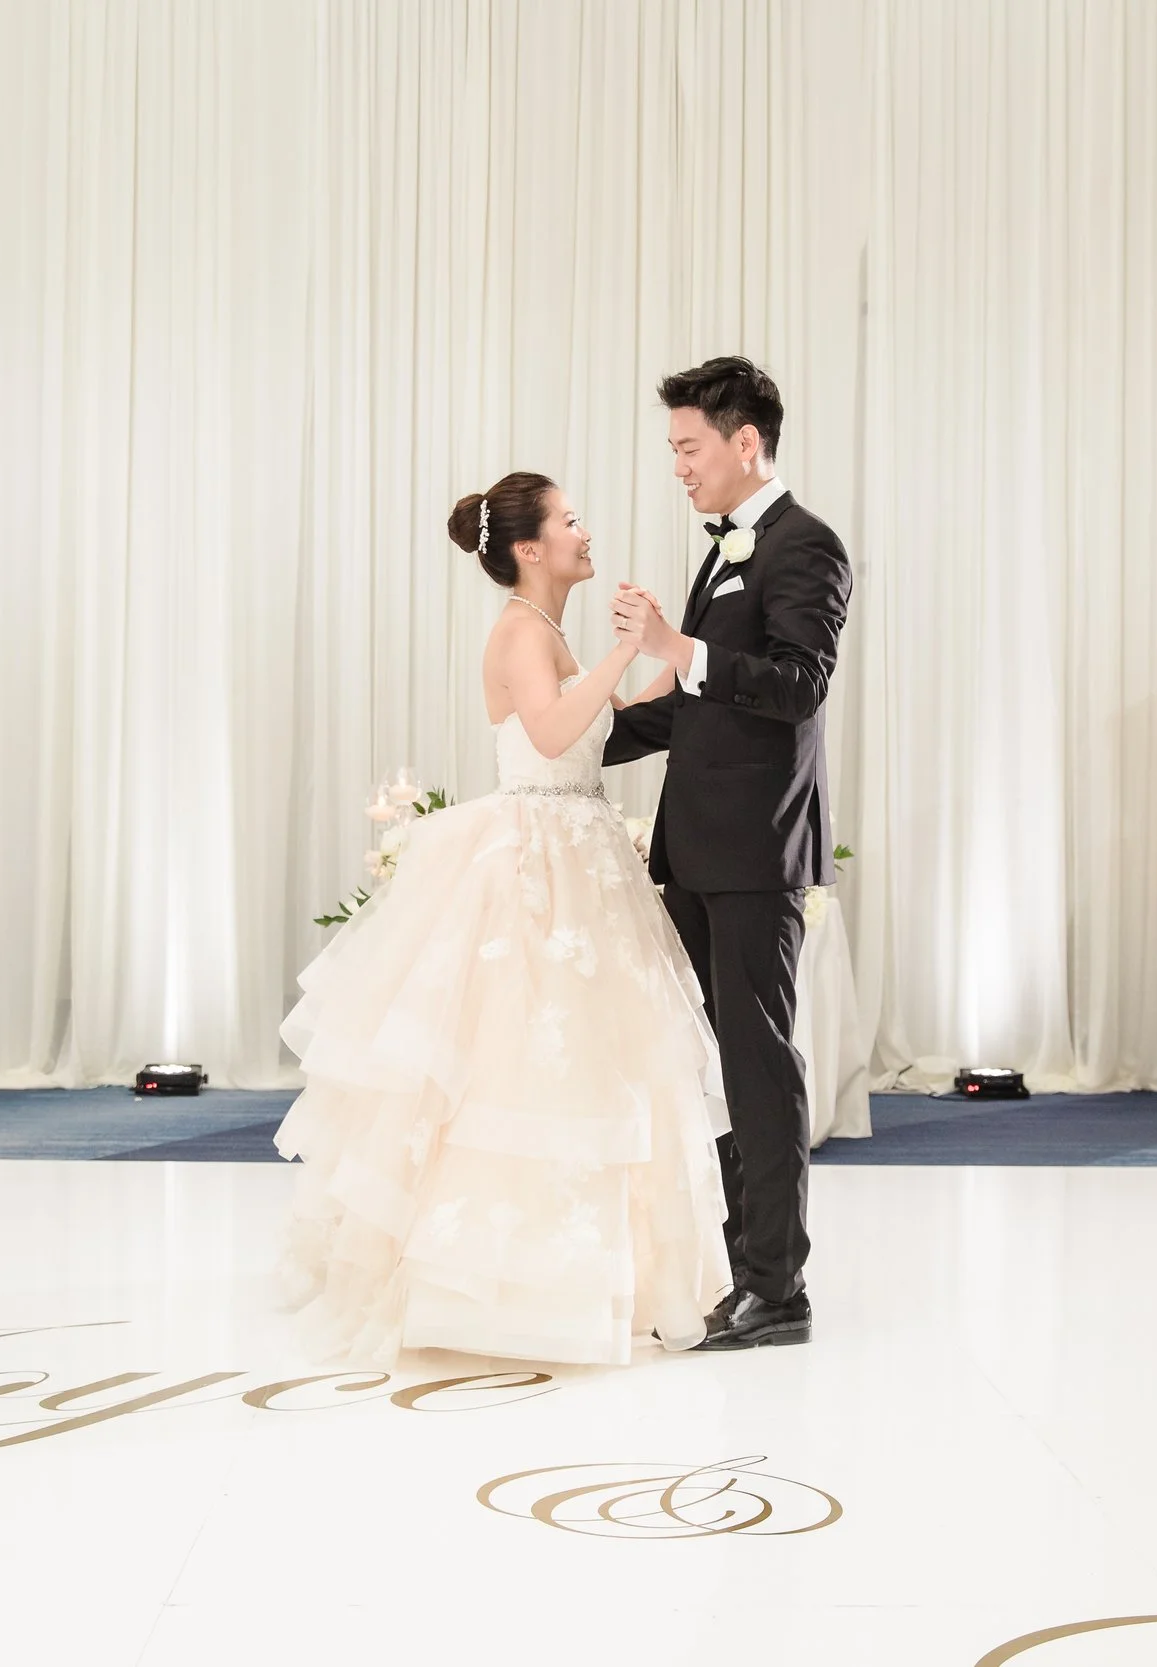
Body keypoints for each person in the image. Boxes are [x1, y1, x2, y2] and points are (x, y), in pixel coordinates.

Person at [273, 471, 731, 1365]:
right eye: (570, 519)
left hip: (583, 853)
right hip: (535, 860)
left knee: (591, 1061)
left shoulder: (549, 630)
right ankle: (494, 1279)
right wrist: (624, 651)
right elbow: (553, 733)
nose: (584, 531)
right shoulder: (519, 629)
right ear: (530, 547)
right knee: (518, 1060)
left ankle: (588, 1271)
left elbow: (613, 724)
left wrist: (671, 656)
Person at [606, 356, 851, 1351]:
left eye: (688, 446)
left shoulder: (806, 544)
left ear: (744, 442)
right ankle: (742, 1269)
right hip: (698, 852)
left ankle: (778, 1288)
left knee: (758, 1068)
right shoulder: (723, 550)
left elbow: (797, 683)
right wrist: (575, 738)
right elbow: (701, 704)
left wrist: (678, 648)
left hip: (754, 853)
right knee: (707, 1069)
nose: (677, 465)